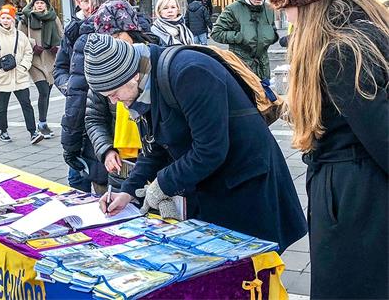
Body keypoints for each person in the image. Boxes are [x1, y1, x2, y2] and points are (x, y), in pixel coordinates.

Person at [83, 33, 307, 253]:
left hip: (246, 189)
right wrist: (128, 191)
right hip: (214, 187)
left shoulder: (189, 72)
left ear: (131, 75)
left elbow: (210, 150)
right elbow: (155, 146)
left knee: (251, 273)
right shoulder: (143, 83)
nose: (114, 101)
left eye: (113, 93)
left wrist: (162, 184)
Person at [264, 0, 388, 299]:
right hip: (358, 191)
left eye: (285, 6)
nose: (285, 17)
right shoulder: (364, 27)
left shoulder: (340, 51)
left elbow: (381, 135)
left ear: (305, 1)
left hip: (354, 199)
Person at [85, 0, 158, 191]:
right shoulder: (103, 70)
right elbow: (93, 117)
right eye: (108, 37)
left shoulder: (154, 59)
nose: (114, 42)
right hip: (122, 162)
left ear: (131, 30)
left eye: (118, 34)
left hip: (156, 160)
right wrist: (106, 150)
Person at [60, 0, 126, 193]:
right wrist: (69, 85)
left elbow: (80, 102)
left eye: (90, 0)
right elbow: (65, 75)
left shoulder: (92, 38)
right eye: (83, 0)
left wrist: (70, 147)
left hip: (112, 139)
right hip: (101, 140)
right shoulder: (77, 32)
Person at [54, 0, 99, 192]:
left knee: (102, 178)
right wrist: (70, 86)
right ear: (77, 1)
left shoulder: (108, 24)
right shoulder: (72, 30)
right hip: (77, 112)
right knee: (77, 180)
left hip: (102, 111)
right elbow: (59, 68)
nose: (90, 5)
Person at [0, 5, 44, 145]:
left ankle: (33, 132)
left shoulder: (20, 35)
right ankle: (3, 130)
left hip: (19, 76)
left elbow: (28, 52)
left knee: (26, 105)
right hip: (2, 77)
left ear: (13, 19)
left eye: (8, 18)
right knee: (2, 106)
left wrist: (23, 67)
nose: (5, 20)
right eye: (3, 18)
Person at [211, 0, 279, 80]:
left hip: (263, 67)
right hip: (242, 66)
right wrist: (238, 37)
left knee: (264, 96)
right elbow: (216, 33)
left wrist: (273, 36)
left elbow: (272, 29)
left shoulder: (268, 9)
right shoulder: (233, 9)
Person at [19, 0, 63, 139]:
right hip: (35, 59)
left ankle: (42, 123)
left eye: (42, 3)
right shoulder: (27, 18)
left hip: (50, 58)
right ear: (33, 4)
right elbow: (21, 37)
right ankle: (42, 124)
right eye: (37, 2)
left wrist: (57, 45)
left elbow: (61, 34)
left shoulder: (53, 17)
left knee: (48, 92)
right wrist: (32, 44)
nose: (39, 5)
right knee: (43, 90)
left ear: (46, 4)